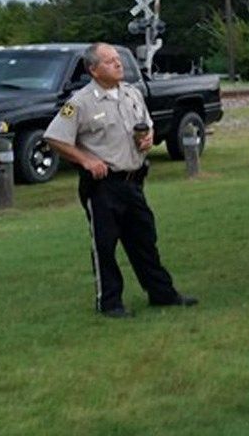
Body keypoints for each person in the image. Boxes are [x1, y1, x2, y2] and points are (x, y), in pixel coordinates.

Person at [45, 43, 198, 318]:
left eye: (118, 60)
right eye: (109, 61)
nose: (118, 65)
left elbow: (146, 124)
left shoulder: (132, 93)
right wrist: (86, 160)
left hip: (133, 180)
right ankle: (110, 302)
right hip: (103, 185)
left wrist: (148, 137)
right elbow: (54, 137)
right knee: (105, 244)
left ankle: (162, 293)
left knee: (144, 239)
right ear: (93, 69)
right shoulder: (78, 103)